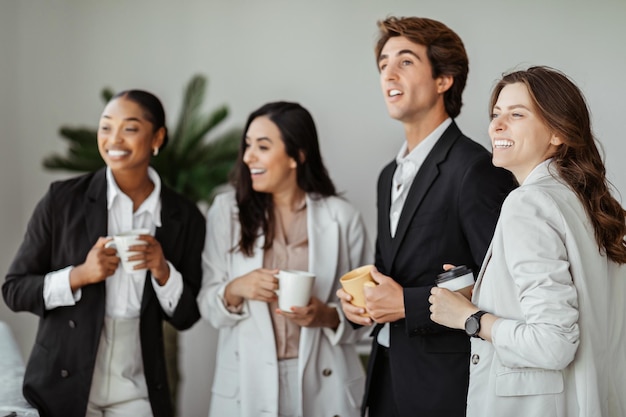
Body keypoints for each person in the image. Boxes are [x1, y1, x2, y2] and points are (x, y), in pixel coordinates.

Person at [336, 16, 517, 417]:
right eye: (383, 64)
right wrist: (362, 305)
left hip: (445, 389)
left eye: (405, 61)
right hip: (386, 379)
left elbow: (506, 282)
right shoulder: (388, 175)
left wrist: (406, 304)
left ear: (444, 79)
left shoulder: (476, 169)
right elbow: (393, 271)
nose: (388, 74)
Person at [429, 66, 626, 417]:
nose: (497, 126)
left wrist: (469, 318)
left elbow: (554, 344)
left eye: (516, 115)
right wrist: (487, 293)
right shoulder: (587, 202)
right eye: (495, 114)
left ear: (558, 132)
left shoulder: (528, 203)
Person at [2, 90, 206, 417]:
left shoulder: (184, 216)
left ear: (157, 137)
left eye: (130, 128)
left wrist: (163, 272)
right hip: (66, 380)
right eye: (106, 127)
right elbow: (13, 290)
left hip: (138, 386)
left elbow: (187, 316)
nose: (114, 139)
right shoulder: (62, 200)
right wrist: (80, 275)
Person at [197, 101, 372, 417]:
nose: (248, 156)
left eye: (262, 147)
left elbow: (367, 315)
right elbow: (207, 304)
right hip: (246, 384)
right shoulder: (227, 213)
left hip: (325, 382)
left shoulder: (343, 218)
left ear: (297, 156)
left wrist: (327, 317)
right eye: (247, 145)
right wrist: (237, 288)